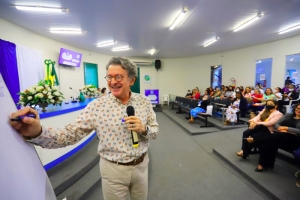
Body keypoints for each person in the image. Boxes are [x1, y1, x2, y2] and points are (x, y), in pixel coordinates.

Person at [10, 57, 159, 200]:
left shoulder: (144, 102)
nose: (113, 82)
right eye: (109, 77)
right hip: (114, 170)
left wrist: (144, 129)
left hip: (141, 165)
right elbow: (70, 134)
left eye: (118, 77)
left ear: (132, 80)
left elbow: (154, 131)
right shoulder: (97, 106)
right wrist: (38, 132)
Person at [236, 100, 282, 171]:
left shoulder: (278, 114)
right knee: (246, 133)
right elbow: (256, 118)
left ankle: (245, 152)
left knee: (254, 135)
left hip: (268, 130)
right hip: (259, 127)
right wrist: (252, 122)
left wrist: (257, 123)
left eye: (271, 104)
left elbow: (270, 123)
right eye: (268, 104)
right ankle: (243, 151)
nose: (269, 105)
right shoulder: (264, 110)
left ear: (276, 106)